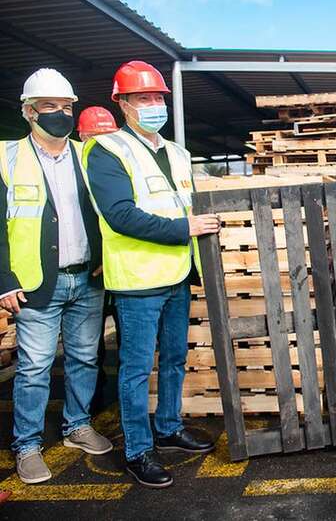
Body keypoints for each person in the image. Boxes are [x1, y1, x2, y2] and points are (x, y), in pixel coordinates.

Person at [82, 61, 220, 488]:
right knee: (137, 369)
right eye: (144, 98)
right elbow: (121, 215)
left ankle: (168, 427)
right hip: (138, 280)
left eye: (158, 97)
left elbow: (187, 204)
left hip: (177, 274)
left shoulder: (177, 152)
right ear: (122, 103)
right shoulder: (106, 150)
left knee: (175, 359)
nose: (154, 104)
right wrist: (185, 229)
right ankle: (138, 450)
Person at [0, 69, 111, 485]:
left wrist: (103, 257)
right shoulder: (6, 157)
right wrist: (4, 279)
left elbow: (105, 212)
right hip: (34, 283)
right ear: (29, 111)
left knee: (85, 357)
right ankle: (27, 445)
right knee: (35, 367)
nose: (60, 114)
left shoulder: (88, 155)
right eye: (50, 107)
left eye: (67, 107)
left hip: (87, 276)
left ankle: (77, 426)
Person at [76, 106, 120, 413]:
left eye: (107, 137)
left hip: (121, 264)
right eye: (93, 137)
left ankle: (123, 399)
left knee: (128, 339)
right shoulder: (76, 172)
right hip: (90, 270)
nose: (100, 143)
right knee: (89, 345)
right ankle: (92, 400)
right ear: (81, 137)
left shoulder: (117, 167)